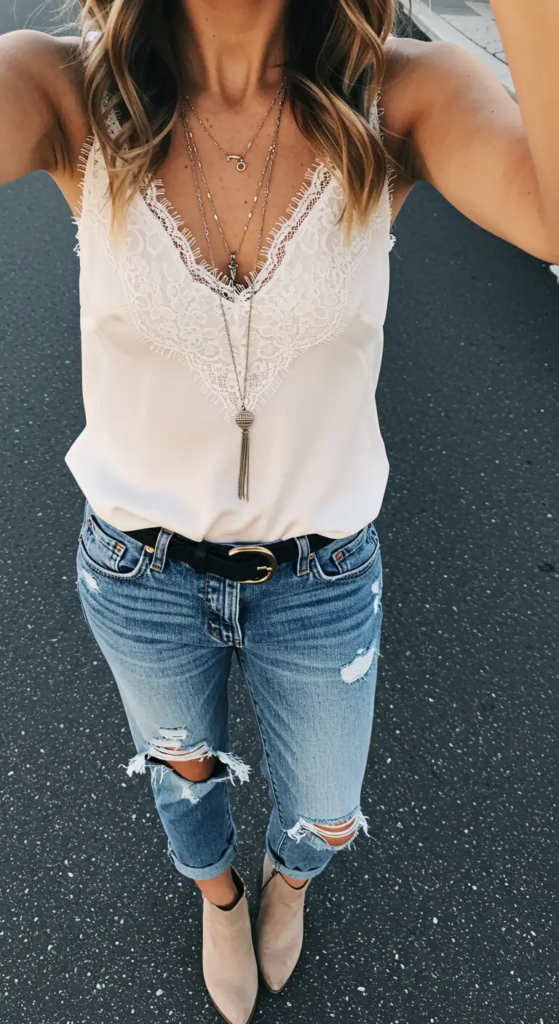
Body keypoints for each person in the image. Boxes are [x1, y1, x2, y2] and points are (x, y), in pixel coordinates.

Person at [1, 1, 557, 1021]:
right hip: (138, 573)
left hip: (323, 577)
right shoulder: (65, 92)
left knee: (324, 810)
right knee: (186, 776)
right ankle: (218, 895)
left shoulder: (402, 98)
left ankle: (288, 880)